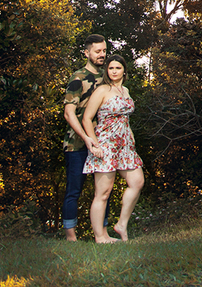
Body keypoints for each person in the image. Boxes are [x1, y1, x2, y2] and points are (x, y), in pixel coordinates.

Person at [81, 54, 145, 242]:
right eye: (111, 68)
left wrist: (131, 137)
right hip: (106, 144)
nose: (114, 71)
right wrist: (94, 144)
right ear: (107, 71)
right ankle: (100, 237)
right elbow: (86, 118)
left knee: (137, 182)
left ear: (124, 70)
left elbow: (125, 118)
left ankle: (121, 224)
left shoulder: (125, 90)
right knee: (103, 193)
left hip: (125, 145)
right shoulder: (102, 90)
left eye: (118, 68)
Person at [61, 34, 109, 241]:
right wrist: (86, 139)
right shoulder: (78, 77)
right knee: (74, 190)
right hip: (77, 144)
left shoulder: (107, 77)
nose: (101, 55)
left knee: (103, 190)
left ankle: (103, 233)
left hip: (102, 143)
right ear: (87, 53)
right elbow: (68, 113)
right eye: (97, 51)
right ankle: (71, 237)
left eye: (104, 51)